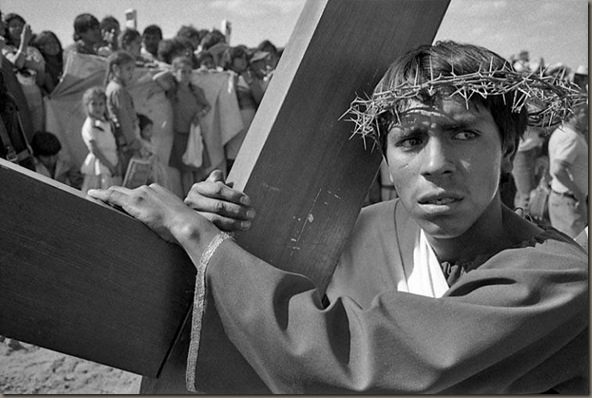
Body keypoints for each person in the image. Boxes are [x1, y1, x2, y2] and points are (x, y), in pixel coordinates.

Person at [88, 41, 588, 394]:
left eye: (462, 133)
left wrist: (194, 233)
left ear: (508, 146)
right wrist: (219, 224)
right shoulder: (356, 236)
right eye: (410, 140)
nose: (436, 163)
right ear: (385, 161)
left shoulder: (558, 279)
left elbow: (353, 362)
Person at [153, 55, 211, 195]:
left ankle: (199, 197)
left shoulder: (195, 90)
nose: (186, 75)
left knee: (198, 169)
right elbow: (157, 79)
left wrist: (199, 114)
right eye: (183, 71)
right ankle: (188, 199)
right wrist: (170, 70)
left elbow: (207, 106)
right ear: (176, 72)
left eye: (189, 72)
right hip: (181, 133)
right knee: (185, 172)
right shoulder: (174, 89)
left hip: (195, 134)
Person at [547, 104, 588, 238]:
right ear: (575, 114)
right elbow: (558, 169)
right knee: (574, 250)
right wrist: (579, 195)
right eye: (586, 114)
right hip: (569, 202)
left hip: (562, 200)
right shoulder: (571, 138)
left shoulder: (561, 131)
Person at [2, 13, 47, 132]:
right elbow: (18, 63)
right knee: (25, 130)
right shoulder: (5, 48)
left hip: (35, 94)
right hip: (18, 95)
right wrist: (24, 43)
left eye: (21, 25)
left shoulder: (33, 50)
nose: (18, 28)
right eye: (14, 25)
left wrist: (35, 66)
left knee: (39, 131)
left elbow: (40, 78)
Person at [222, 46, 264, 172]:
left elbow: (260, 100)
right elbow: (225, 102)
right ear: (230, 59)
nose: (243, 60)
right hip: (233, 130)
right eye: (239, 57)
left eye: (245, 57)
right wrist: (232, 85)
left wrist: (251, 82)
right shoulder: (223, 76)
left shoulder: (251, 76)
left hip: (250, 128)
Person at [105, 50, 141, 173]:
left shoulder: (116, 88)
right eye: (128, 69)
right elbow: (123, 117)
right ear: (116, 69)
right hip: (126, 141)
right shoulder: (117, 90)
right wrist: (132, 141)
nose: (131, 73)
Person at [80, 86, 120, 193]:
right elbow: (95, 150)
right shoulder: (89, 125)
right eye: (94, 104)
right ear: (87, 106)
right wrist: (109, 165)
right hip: (100, 164)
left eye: (101, 104)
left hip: (112, 160)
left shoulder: (105, 122)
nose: (98, 108)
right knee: (100, 190)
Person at [135, 113, 170, 189]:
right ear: (141, 131)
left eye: (151, 129)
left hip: (157, 168)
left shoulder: (152, 141)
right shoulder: (142, 144)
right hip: (150, 171)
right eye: (147, 130)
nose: (150, 132)